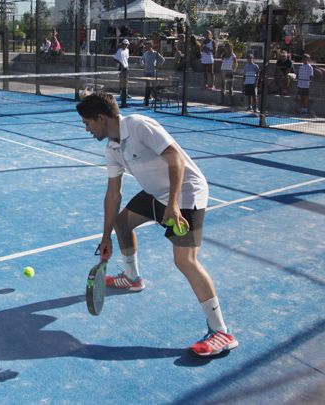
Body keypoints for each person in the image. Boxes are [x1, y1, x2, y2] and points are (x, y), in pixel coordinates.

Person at [76, 91, 239, 357]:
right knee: (122, 223)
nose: (86, 129)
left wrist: (173, 204)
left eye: (87, 123)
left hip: (186, 192)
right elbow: (113, 194)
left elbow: (175, 158)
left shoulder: (139, 125)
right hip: (157, 194)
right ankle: (132, 278)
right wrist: (106, 237)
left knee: (185, 260)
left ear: (101, 118)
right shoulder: (112, 149)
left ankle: (222, 332)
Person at [140, 41, 165, 106]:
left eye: (148, 46)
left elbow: (162, 59)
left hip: (153, 72)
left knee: (154, 85)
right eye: (146, 46)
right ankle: (147, 97)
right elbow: (141, 59)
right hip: (146, 71)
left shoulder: (155, 53)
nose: (147, 48)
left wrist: (158, 65)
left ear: (151, 46)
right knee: (147, 85)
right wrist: (142, 64)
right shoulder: (145, 53)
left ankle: (155, 97)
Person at [113, 38, 130, 108]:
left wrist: (125, 64)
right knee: (122, 84)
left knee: (125, 84)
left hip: (126, 68)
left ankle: (124, 99)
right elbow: (115, 58)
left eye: (127, 44)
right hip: (121, 69)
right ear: (122, 44)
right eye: (125, 44)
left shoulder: (127, 50)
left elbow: (127, 58)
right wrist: (121, 63)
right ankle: (122, 97)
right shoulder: (119, 51)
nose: (126, 46)